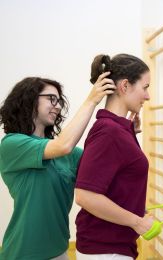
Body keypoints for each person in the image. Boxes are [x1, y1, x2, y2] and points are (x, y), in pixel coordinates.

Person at [0, 73, 116, 260]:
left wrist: (126, 130)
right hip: (23, 252)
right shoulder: (12, 145)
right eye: (51, 99)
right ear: (28, 100)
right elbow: (62, 145)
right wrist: (91, 100)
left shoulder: (69, 155)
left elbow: (104, 167)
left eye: (59, 101)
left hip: (60, 250)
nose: (58, 106)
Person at [74, 54, 154, 260]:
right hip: (105, 251)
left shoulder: (117, 129)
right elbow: (85, 196)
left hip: (111, 248)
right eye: (145, 87)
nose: (148, 96)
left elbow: (117, 178)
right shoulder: (109, 132)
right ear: (125, 86)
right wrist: (137, 222)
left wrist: (130, 132)